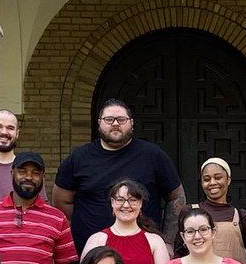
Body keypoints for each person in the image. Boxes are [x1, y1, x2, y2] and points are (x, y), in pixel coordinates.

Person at [53, 98, 185, 251]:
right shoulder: (78, 158)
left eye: (121, 119)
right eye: (109, 119)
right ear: (99, 123)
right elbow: (62, 202)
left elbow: (176, 197)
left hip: (143, 252)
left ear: (131, 123)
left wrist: (167, 241)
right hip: (92, 254)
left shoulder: (153, 155)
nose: (115, 124)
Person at [81, 179, 170, 264]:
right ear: (112, 203)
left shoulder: (155, 241)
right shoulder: (97, 240)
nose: (126, 205)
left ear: (140, 204)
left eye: (132, 200)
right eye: (120, 200)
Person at [184, 157, 246, 264]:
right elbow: (179, 252)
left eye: (218, 178)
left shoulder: (241, 217)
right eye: (207, 179)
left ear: (228, 180)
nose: (212, 183)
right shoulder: (189, 212)